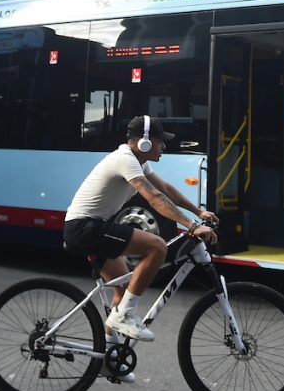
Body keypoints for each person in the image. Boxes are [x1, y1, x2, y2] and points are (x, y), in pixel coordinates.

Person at [63, 115, 218, 349]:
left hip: (90, 226)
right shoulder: (125, 159)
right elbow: (154, 197)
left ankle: (109, 353)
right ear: (145, 142)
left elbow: (164, 189)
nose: (164, 146)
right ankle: (125, 315)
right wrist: (192, 226)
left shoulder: (138, 161)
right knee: (157, 246)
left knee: (124, 290)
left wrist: (198, 212)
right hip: (85, 227)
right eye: (160, 140)